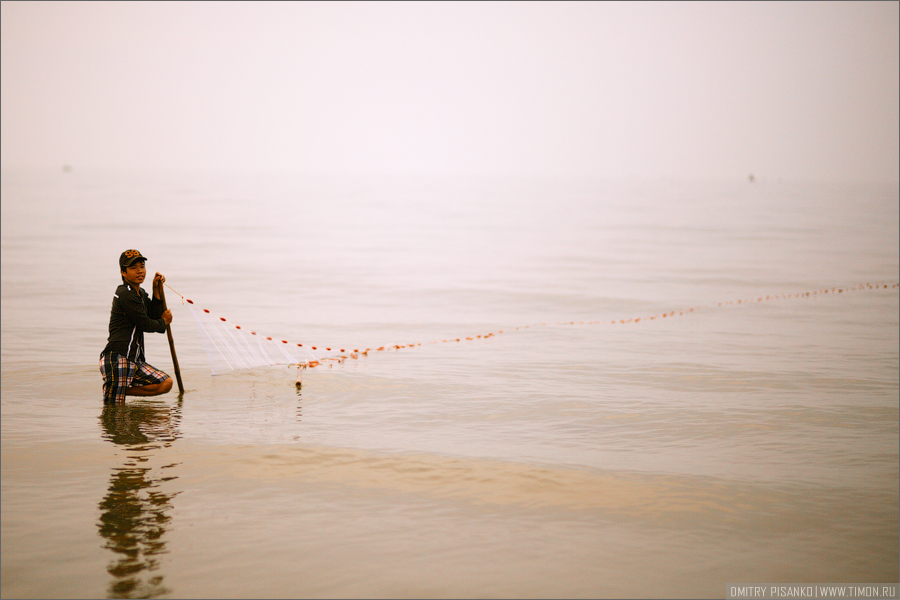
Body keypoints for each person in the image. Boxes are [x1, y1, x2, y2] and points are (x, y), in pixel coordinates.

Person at [100, 249, 174, 403]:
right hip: (118, 358)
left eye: (142, 266)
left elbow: (154, 317)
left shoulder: (140, 293)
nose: (140, 271)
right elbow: (146, 324)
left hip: (135, 360)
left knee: (165, 383)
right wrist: (164, 322)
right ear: (123, 272)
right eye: (133, 268)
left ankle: (120, 390)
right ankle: (116, 390)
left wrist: (156, 290)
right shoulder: (124, 293)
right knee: (114, 414)